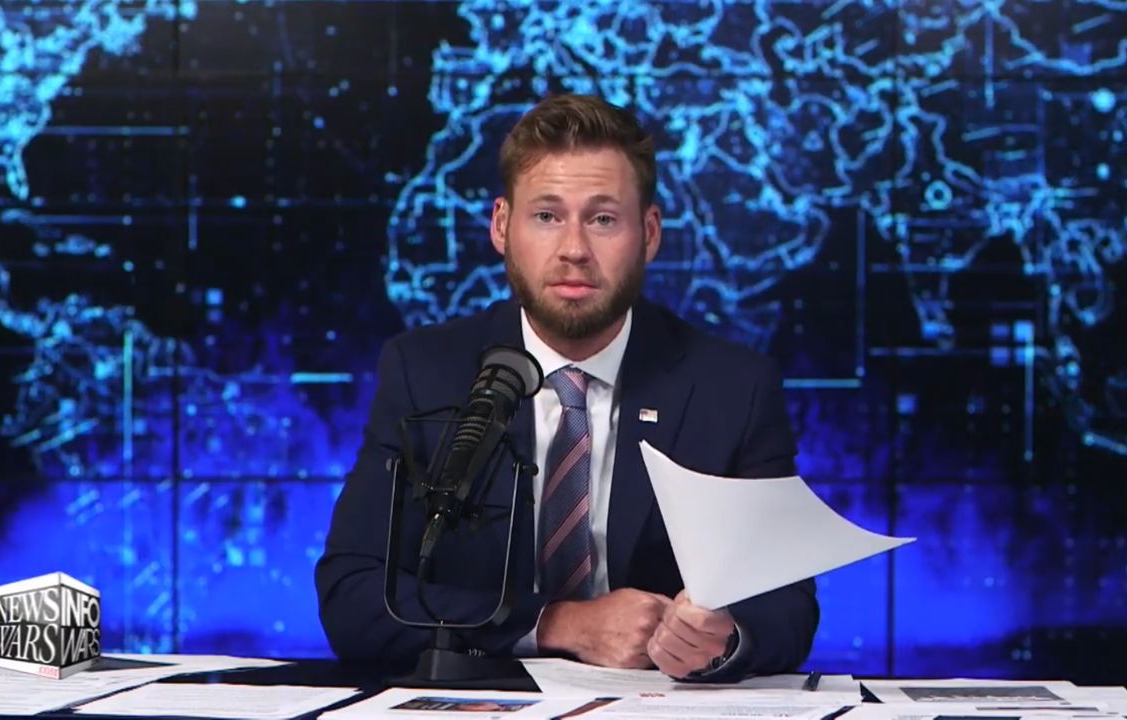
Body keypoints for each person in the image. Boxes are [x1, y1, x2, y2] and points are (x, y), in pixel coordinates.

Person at [316, 94, 818, 681]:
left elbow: (788, 609)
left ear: (649, 233)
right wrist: (559, 624)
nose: (574, 250)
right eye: (547, 216)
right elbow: (352, 593)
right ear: (502, 226)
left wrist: (722, 640)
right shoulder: (424, 372)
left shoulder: (732, 387)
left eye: (603, 219)